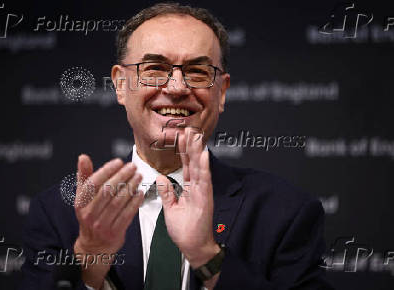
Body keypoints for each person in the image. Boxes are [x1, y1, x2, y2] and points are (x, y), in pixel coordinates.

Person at [20, 3, 333, 290]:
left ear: (221, 91)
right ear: (120, 84)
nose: (177, 87)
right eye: (155, 68)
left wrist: (207, 257)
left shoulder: (285, 212)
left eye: (197, 71)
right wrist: (90, 258)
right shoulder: (58, 214)